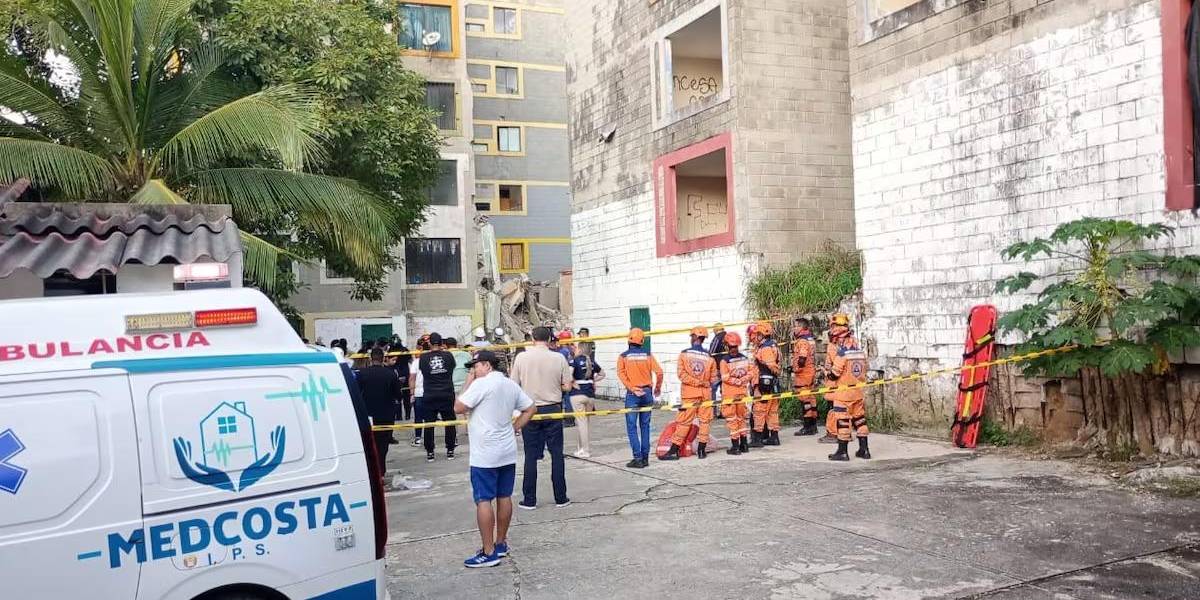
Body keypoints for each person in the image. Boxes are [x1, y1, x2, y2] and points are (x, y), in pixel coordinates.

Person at [454, 350, 537, 568]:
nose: (474, 370)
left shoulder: (481, 384)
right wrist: (514, 428)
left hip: (485, 454)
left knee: (483, 500)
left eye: (476, 366)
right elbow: (530, 408)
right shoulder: (509, 384)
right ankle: (500, 543)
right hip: (506, 450)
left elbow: (458, 407)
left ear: (487, 365)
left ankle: (488, 551)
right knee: (504, 496)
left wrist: (468, 382)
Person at [508, 326, 573, 509]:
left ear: (532, 338)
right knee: (557, 454)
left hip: (530, 410)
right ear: (550, 339)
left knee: (530, 455)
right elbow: (567, 386)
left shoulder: (522, 357)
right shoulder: (559, 357)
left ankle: (529, 499)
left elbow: (513, 385)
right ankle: (561, 497)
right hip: (553, 408)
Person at [661, 327, 718, 460]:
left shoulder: (684, 354)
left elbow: (682, 375)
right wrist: (703, 383)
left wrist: (695, 382)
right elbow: (714, 379)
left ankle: (674, 450)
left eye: (692, 336)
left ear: (695, 337)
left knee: (683, 423)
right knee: (705, 422)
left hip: (689, 394)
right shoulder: (710, 357)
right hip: (705, 395)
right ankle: (702, 451)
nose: (691, 338)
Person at [825, 313, 871, 461]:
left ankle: (842, 452)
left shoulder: (842, 352)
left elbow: (834, 374)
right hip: (857, 391)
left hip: (843, 393)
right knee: (860, 420)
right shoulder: (858, 349)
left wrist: (826, 373)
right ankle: (864, 450)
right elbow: (865, 368)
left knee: (843, 421)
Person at [616, 328, 663, 469]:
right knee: (645, 426)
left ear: (629, 340)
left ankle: (637, 458)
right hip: (647, 393)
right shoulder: (648, 355)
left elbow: (621, 374)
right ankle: (645, 458)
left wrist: (632, 388)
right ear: (642, 341)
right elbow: (659, 372)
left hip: (633, 395)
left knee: (632, 427)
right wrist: (657, 388)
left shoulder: (623, 356)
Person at [357, 348, 403, 475]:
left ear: (371, 359)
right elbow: (398, 395)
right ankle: (381, 472)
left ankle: (371, 471)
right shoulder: (390, 374)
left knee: (369, 444)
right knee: (383, 445)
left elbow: (356, 394)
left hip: (368, 415)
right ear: (383, 358)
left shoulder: (362, 374)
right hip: (386, 414)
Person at [419, 333, 458, 462]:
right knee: (449, 423)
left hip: (430, 393)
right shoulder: (448, 355)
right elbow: (451, 369)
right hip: (446, 393)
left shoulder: (423, 358)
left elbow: (424, 372)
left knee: (429, 424)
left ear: (429, 343)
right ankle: (450, 450)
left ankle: (430, 452)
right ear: (442, 343)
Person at [719, 332, 755, 455]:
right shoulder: (745, 358)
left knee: (732, 419)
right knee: (741, 419)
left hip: (730, 394)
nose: (733, 349)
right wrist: (742, 380)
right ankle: (744, 445)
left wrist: (736, 381)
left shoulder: (724, 360)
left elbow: (724, 377)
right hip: (742, 393)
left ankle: (735, 447)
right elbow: (751, 373)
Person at [568, 341, 605, 458]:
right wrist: (593, 380)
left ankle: (585, 450)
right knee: (585, 423)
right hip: (590, 395)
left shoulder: (574, 361)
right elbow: (602, 374)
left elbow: (568, 376)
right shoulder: (592, 362)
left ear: (580, 349)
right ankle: (580, 448)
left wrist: (573, 383)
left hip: (578, 394)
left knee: (581, 423)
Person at [750, 322, 783, 448]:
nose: (755, 337)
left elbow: (771, 366)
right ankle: (774, 437)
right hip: (773, 384)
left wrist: (760, 382)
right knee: (772, 412)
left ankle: (757, 439)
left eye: (757, 334)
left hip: (764, 385)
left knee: (759, 411)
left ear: (761, 334)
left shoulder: (766, 348)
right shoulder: (773, 346)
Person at [792, 318, 819, 436]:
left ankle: (807, 426)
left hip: (803, 374)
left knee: (805, 400)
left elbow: (802, 358)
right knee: (811, 398)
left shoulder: (802, 341)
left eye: (796, 326)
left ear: (801, 327)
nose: (794, 328)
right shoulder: (810, 339)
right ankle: (813, 425)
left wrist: (796, 368)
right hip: (811, 371)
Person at [554, 330, 578, 428]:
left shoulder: (563, 351)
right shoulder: (571, 349)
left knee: (565, 398)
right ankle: (569, 419)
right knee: (568, 399)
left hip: (564, 377)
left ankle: (568, 420)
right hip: (570, 376)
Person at [410, 335, 429, 446]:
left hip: (419, 393)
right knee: (429, 417)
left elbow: (412, 378)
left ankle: (418, 438)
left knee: (418, 417)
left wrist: (411, 393)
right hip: (430, 391)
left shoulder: (416, 362)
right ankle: (428, 440)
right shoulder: (433, 360)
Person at [708, 323, 730, 420]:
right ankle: (724, 412)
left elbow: (711, 352)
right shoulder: (729, 337)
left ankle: (712, 413)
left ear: (715, 330)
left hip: (718, 368)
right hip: (728, 367)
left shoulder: (717, 338)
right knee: (725, 391)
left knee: (712, 389)